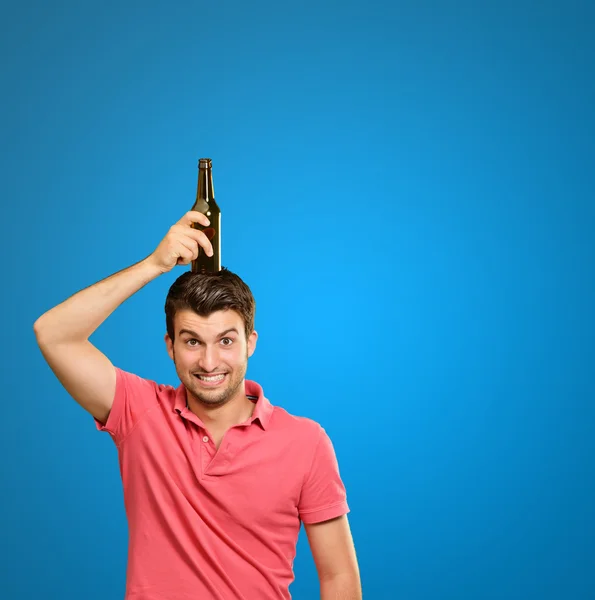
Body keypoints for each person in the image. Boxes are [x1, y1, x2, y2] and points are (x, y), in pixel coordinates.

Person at [34, 211, 362, 600]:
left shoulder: (306, 442)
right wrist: (154, 265)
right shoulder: (138, 411)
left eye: (225, 341)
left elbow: (339, 577)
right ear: (170, 346)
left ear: (250, 342)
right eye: (192, 342)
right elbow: (52, 334)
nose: (209, 363)